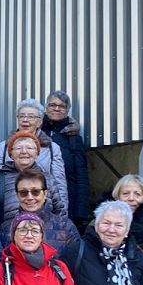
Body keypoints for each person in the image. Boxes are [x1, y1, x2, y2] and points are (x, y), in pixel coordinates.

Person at [0, 101, 69, 208]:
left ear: (39, 122)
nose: (25, 120)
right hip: (10, 207)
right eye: (21, 116)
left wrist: (62, 210)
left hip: (41, 206)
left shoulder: (52, 148)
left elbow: (59, 183)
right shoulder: (2, 147)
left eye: (31, 117)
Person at [0, 131, 69, 237]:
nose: (24, 152)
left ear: (37, 153)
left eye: (29, 148)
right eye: (18, 148)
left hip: (45, 239)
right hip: (8, 239)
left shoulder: (48, 178)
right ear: (10, 154)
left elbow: (59, 210)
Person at [5, 167, 78, 254]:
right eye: (23, 193)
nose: (30, 197)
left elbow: (76, 263)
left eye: (35, 192)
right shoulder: (7, 228)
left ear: (45, 193)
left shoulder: (65, 226)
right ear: (17, 195)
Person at [42, 90, 90, 223]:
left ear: (67, 110)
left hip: (67, 198)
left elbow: (81, 175)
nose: (56, 108)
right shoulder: (35, 132)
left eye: (61, 106)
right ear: (46, 107)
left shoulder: (74, 138)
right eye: (52, 105)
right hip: (38, 195)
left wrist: (81, 211)